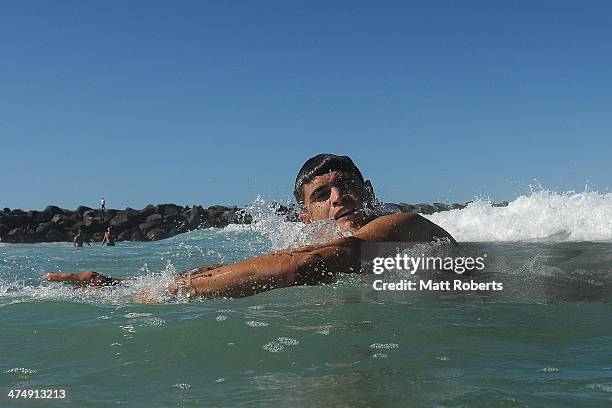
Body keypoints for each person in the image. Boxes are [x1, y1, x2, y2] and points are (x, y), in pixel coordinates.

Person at [43, 154, 455, 300]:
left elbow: (302, 266)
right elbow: (281, 261)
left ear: (367, 192)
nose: (338, 197)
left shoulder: (400, 225)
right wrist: (112, 283)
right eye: (322, 193)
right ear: (304, 219)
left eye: (346, 185)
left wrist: (165, 293)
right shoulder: (313, 243)